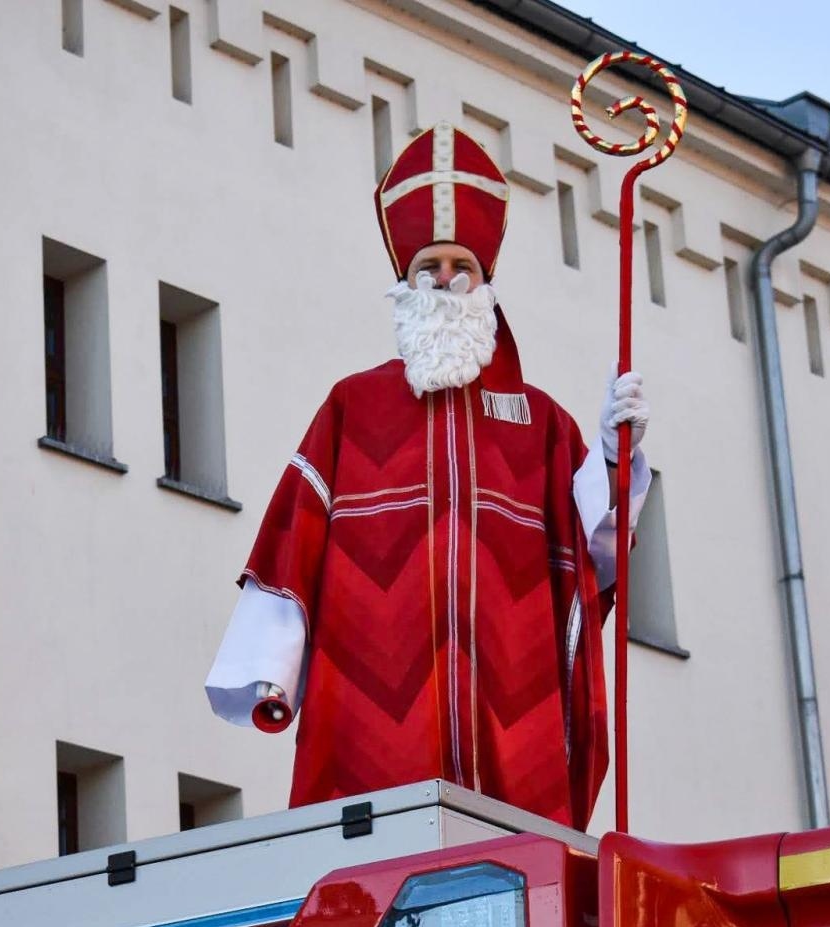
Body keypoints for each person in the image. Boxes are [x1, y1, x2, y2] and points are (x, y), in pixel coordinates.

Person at [205, 122, 651, 829]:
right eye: (428, 268)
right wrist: (266, 669)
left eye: (460, 266)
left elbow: (594, 560)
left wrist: (614, 451)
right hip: (367, 720)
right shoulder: (355, 404)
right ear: (405, 286)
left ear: (485, 284)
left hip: (512, 711)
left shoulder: (542, 424)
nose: (444, 279)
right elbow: (295, 534)